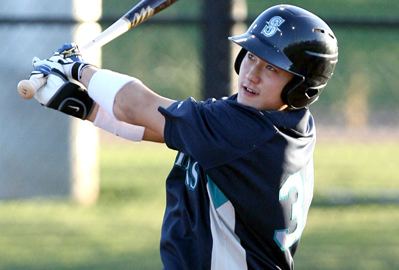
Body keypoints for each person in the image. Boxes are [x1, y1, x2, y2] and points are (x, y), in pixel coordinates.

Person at [28, 4, 338, 269]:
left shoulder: (244, 133)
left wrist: (77, 67)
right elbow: (162, 127)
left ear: (300, 88)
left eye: (271, 68)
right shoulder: (280, 122)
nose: (252, 73)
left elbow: (136, 105)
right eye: (251, 55)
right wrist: (87, 107)